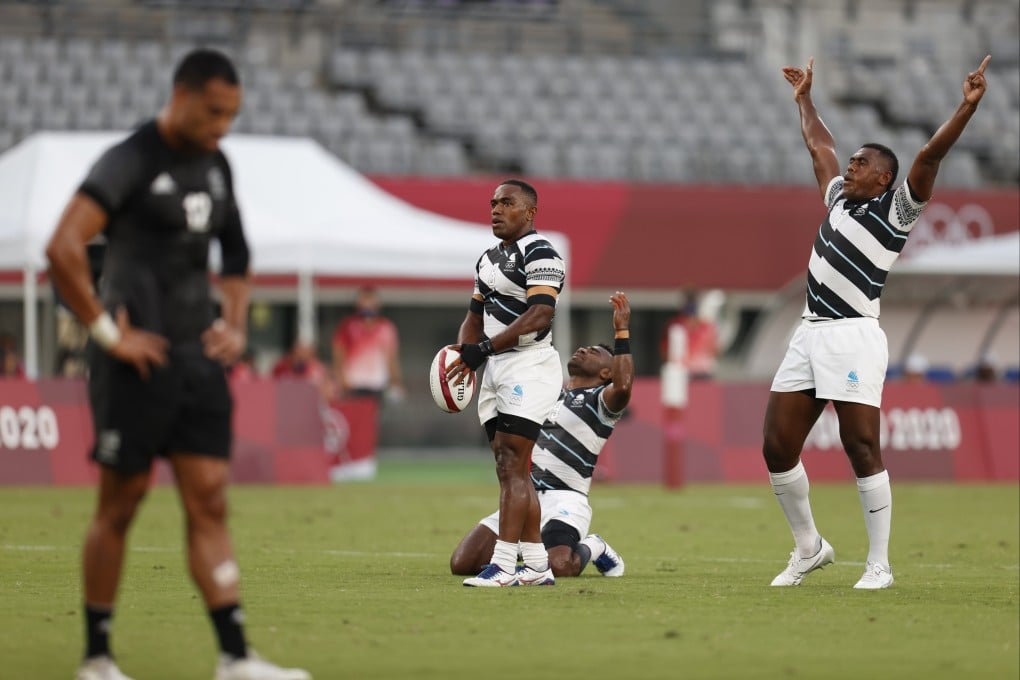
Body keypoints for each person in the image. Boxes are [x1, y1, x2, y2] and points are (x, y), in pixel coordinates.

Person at [45, 49, 310, 680]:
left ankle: (236, 658)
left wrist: (235, 326)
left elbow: (239, 255)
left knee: (210, 501)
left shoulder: (217, 165)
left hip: (197, 362)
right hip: (136, 363)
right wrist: (108, 334)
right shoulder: (130, 158)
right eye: (214, 112)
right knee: (123, 502)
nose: (223, 125)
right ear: (181, 96)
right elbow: (62, 247)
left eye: (232, 114)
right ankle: (98, 658)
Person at [763, 55, 991, 590]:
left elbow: (930, 155)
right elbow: (820, 147)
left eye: (862, 164)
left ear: (884, 177)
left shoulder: (897, 212)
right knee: (776, 446)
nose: (851, 168)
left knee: (861, 446)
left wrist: (966, 106)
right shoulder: (839, 200)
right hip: (809, 331)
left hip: (853, 334)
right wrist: (805, 100)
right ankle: (809, 547)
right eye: (854, 162)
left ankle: (879, 564)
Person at [450, 292, 634, 579]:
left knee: (560, 566)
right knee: (462, 563)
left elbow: (623, 388)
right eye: (584, 347)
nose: (583, 350)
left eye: (594, 353)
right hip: (523, 497)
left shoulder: (601, 402)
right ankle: (527, 553)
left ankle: (594, 547)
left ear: (606, 373)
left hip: (565, 499)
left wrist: (621, 330)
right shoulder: (545, 392)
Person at [446, 178, 566, 587]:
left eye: (507, 202)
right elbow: (474, 315)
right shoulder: (487, 259)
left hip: (529, 365)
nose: (496, 208)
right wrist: (465, 355)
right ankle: (534, 563)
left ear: (530, 212)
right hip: (497, 367)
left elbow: (539, 315)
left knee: (513, 464)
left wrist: (482, 349)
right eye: (493, 202)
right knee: (510, 467)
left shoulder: (542, 252)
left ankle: (503, 563)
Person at [331, 286, 403, 401]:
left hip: (377, 384)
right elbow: (338, 354)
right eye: (364, 301)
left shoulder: (386, 328)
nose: (368, 305)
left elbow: (392, 358)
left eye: (371, 301)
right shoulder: (348, 326)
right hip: (353, 384)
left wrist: (396, 381)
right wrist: (340, 378)